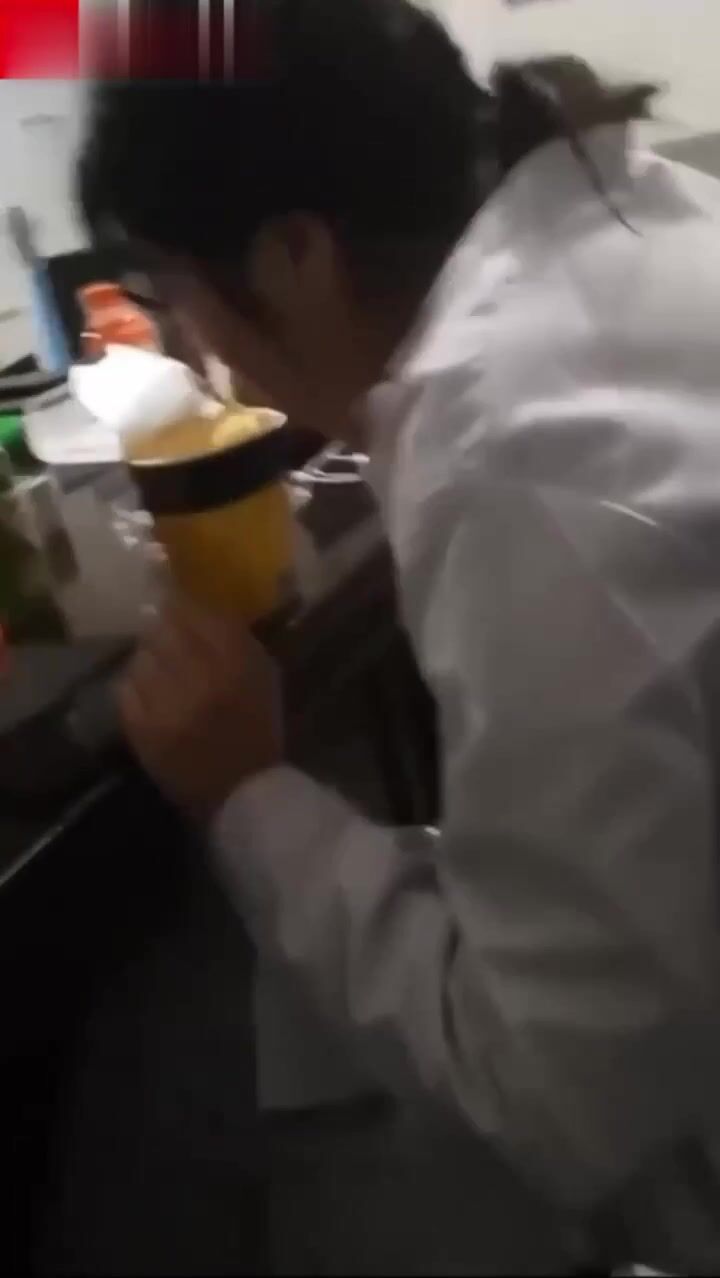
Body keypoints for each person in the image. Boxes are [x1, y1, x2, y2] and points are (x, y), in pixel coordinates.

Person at [79, 1, 720, 1272]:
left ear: (295, 254)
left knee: (161, 1052)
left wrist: (248, 795)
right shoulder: (643, 214)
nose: (208, 355)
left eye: (186, 300)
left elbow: (562, 1101)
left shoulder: (511, 457)